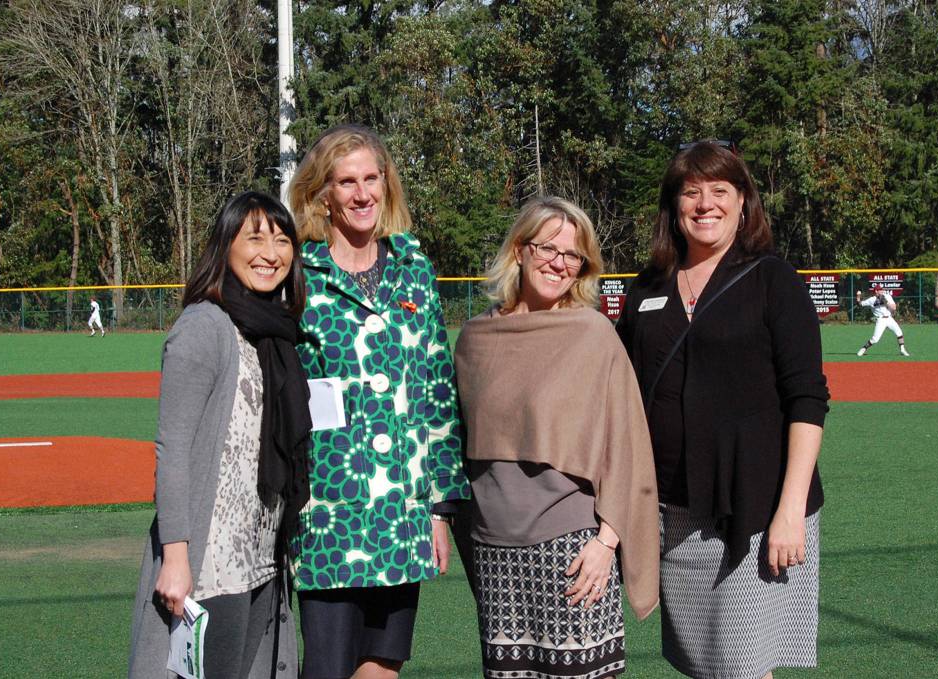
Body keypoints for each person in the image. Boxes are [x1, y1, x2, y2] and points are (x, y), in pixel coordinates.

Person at [616, 142, 830, 679]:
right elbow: (617, 386)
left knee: (742, 665)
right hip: (672, 509)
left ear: (742, 203)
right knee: (702, 661)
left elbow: (807, 397)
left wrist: (789, 511)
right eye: (691, 193)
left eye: (719, 191)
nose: (705, 204)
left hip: (754, 508)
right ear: (673, 206)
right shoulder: (647, 288)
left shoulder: (771, 279)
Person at [288, 123, 470, 679]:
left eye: (372, 178)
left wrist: (440, 509)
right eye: (347, 182)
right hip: (328, 510)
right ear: (324, 193)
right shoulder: (300, 273)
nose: (363, 193)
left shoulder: (414, 269)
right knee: (326, 668)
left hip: (402, 510)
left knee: (383, 664)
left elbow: (437, 391)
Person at [453, 197, 659, 679]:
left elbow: (626, 446)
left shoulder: (592, 334)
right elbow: (458, 449)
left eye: (573, 255)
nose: (559, 263)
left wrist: (607, 543)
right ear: (520, 250)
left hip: (570, 550)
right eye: (549, 248)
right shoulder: (474, 339)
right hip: (494, 551)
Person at [128, 191, 312, 679]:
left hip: (261, 558)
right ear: (225, 246)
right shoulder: (204, 327)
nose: (270, 253)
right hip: (212, 563)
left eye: (281, 240)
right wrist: (176, 557)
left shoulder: (274, 334)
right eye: (254, 238)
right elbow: (174, 450)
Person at [856, 284, 909, 356]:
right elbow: (860, 304)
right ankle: (863, 349)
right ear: (876, 291)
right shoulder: (872, 299)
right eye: (880, 290)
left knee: (899, 332)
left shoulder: (887, 296)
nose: (882, 291)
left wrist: (885, 301)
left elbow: (894, 308)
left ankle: (902, 350)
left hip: (889, 318)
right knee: (875, 339)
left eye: (882, 289)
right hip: (881, 320)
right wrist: (858, 296)